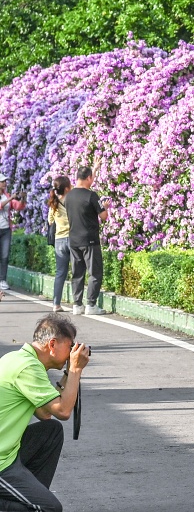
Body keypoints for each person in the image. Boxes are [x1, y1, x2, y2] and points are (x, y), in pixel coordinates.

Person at [0, 313, 91, 512]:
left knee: (51, 431)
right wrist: (75, 369)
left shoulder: (20, 358)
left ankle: (29, 496)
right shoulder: (27, 367)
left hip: (8, 453)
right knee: (49, 508)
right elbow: (63, 410)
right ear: (52, 344)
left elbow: (44, 413)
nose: (71, 353)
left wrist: (68, 373)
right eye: (69, 346)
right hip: (1, 461)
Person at [64, 167, 108, 316]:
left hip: (74, 240)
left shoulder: (68, 196)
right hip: (90, 240)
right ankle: (91, 305)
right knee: (95, 272)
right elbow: (104, 216)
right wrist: (105, 207)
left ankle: (77, 305)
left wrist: (94, 168)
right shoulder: (92, 196)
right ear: (89, 178)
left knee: (77, 273)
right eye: (92, 177)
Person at [46, 177, 72, 313]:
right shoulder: (72, 201)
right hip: (73, 240)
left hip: (59, 241)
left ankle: (56, 304)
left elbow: (50, 221)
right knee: (77, 272)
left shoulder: (54, 203)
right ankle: (77, 303)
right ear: (67, 188)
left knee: (60, 273)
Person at [0, 174, 26, 292]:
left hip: (6, 230)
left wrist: (23, 198)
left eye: (5, 181)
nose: (4, 183)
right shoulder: (8, 198)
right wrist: (10, 199)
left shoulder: (7, 195)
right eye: (2, 181)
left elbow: (18, 207)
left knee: (5, 256)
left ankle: (2, 280)